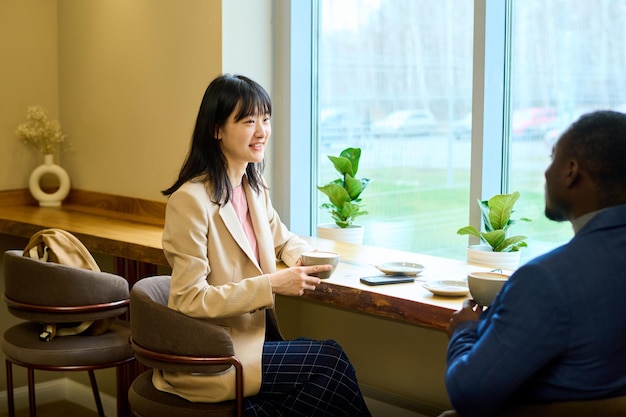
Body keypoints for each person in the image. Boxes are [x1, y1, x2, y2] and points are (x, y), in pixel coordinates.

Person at [157, 73, 371, 417]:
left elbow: (282, 239)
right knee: (330, 361)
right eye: (248, 121)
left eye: (265, 119)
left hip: (258, 341)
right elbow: (188, 299)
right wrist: (272, 284)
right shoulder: (190, 201)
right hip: (219, 352)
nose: (262, 132)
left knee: (319, 386)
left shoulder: (253, 188)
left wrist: (304, 258)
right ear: (217, 129)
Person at [441, 110, 626, 417]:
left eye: (553, 158)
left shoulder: (547, 280)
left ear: (570, 171)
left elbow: (467, 394)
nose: (545, 172)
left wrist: (465, 332)